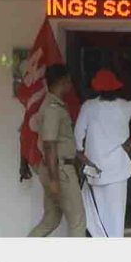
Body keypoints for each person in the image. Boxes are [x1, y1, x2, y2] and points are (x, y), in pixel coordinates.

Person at [76, 69, 131, 238]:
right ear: (116, 88)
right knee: (116, 215)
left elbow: (78, 135)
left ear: (97, 89)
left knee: (96, 215)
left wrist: (80, 153)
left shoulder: (89, 107)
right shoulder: (126, 106)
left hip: (95, 169)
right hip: (118, 169)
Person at [27, 64, 87, 237]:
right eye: (69, 80)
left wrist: (80, 157)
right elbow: (49, 144)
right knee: (78, 221)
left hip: (54, 168)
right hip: (60, 171)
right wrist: (54, 180)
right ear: (63, 81)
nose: (71, 84)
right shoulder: (53, 108)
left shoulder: (53, 105)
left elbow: (59, 142)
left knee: (51, 219)